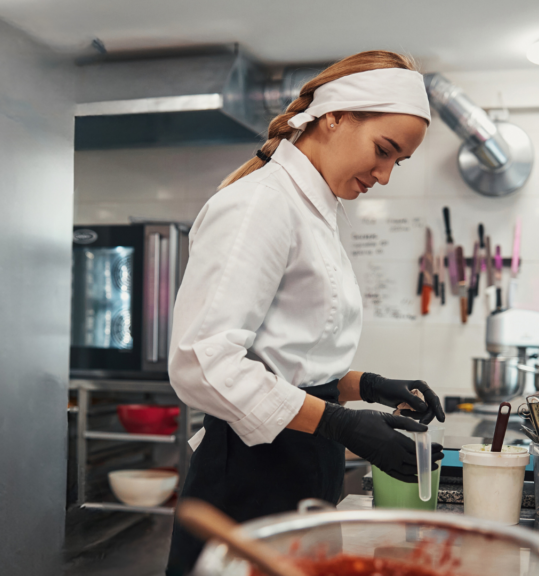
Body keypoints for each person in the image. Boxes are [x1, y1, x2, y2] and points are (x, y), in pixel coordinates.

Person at [165, 50, 446, 575]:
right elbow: (201, 364)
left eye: (397, 163)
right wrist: (341, 423)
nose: (384, 176)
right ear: (334, 116)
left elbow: (286, 361)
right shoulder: (261, 205)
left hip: (301, 465)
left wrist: (367, 386)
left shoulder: (313, 210)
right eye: (383, 151)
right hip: (252, 478)